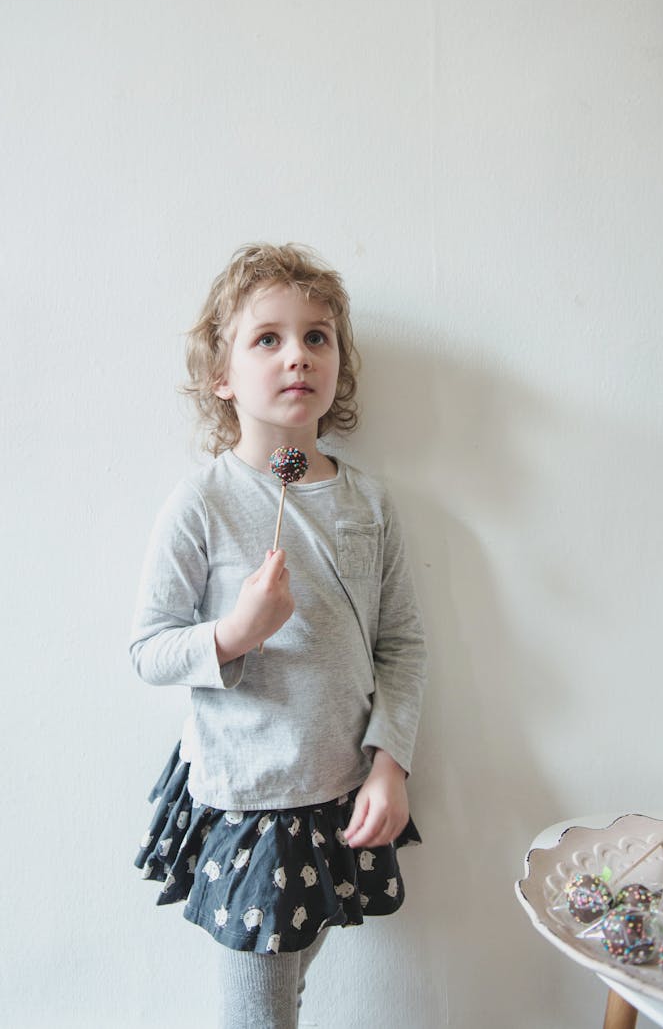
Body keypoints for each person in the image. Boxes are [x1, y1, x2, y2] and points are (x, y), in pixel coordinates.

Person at [131, 243, 427, 1028]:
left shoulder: (369, 502)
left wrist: (390, 762)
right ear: (222, 377)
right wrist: (235, 632)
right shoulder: (202, 502)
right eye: (268, 338)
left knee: (288, 994)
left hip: (343, 795)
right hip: (249, 802)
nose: (297, 354)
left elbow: (402, 644)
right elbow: (149, 648)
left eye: (317, 336)